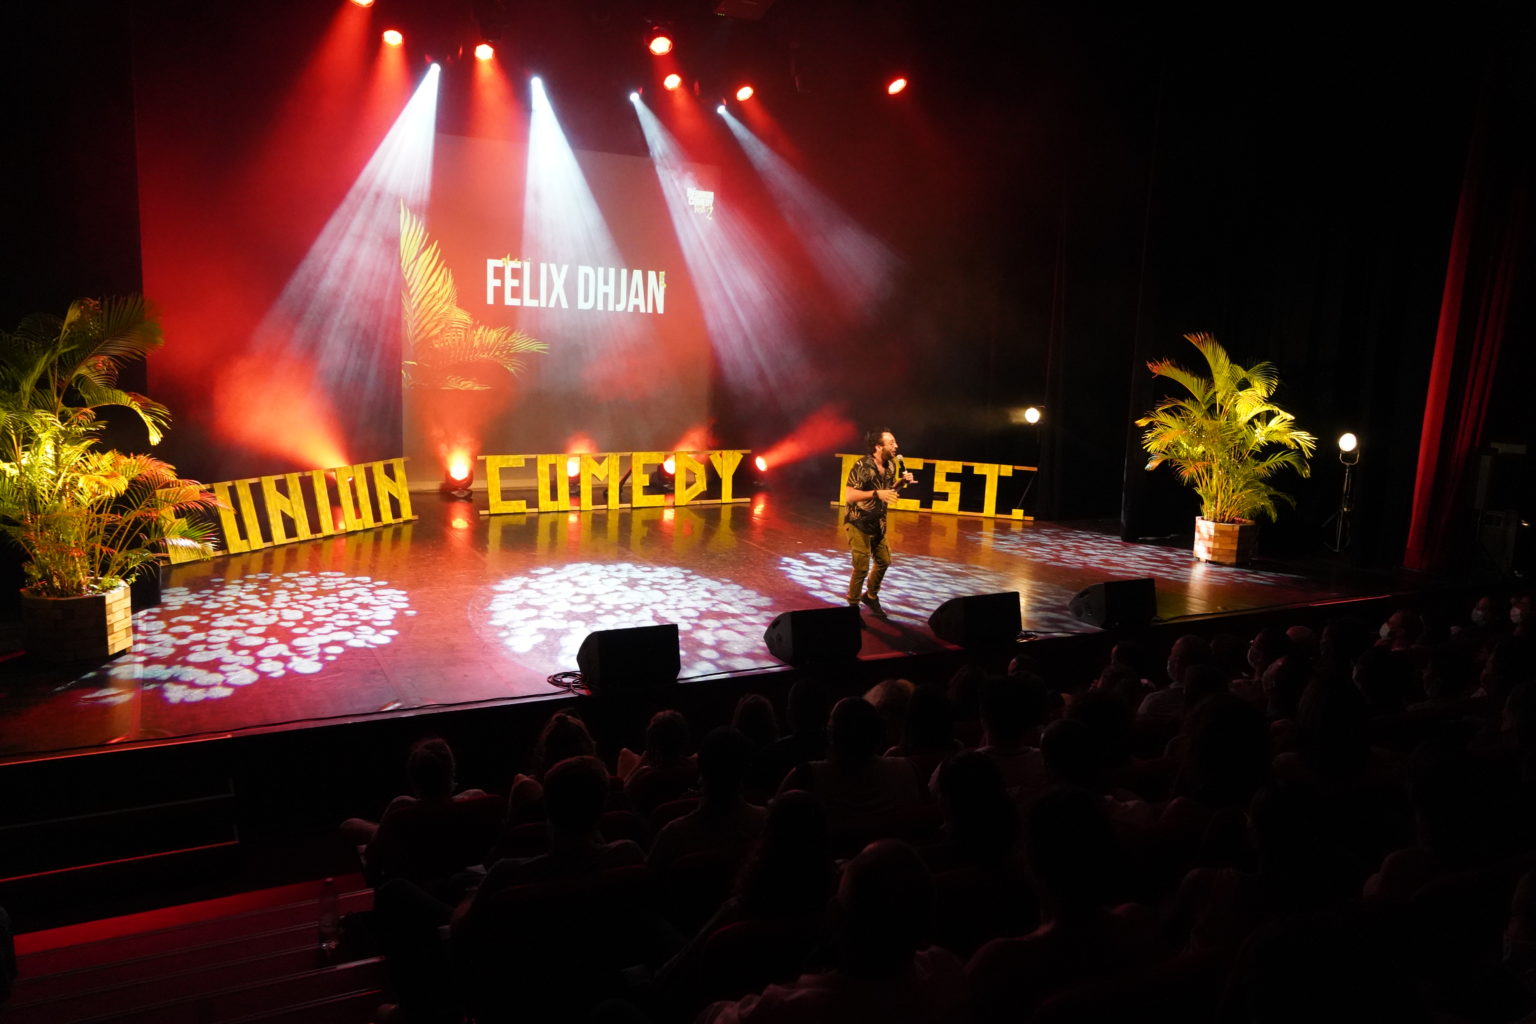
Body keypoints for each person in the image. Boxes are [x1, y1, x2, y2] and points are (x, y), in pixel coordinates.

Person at [843, 429, 915, 618]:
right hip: (858, 521)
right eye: (891, 443)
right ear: (878, 446)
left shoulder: (891, 466)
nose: (896, 446)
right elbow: (849, 496)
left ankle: (871, 596)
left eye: (895, 442)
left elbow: (888, 491)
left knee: (884, 561)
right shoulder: (862, 465)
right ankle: (852, 608)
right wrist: (876, 494)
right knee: (861, 567)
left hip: (878, 522)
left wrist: (901, 483)